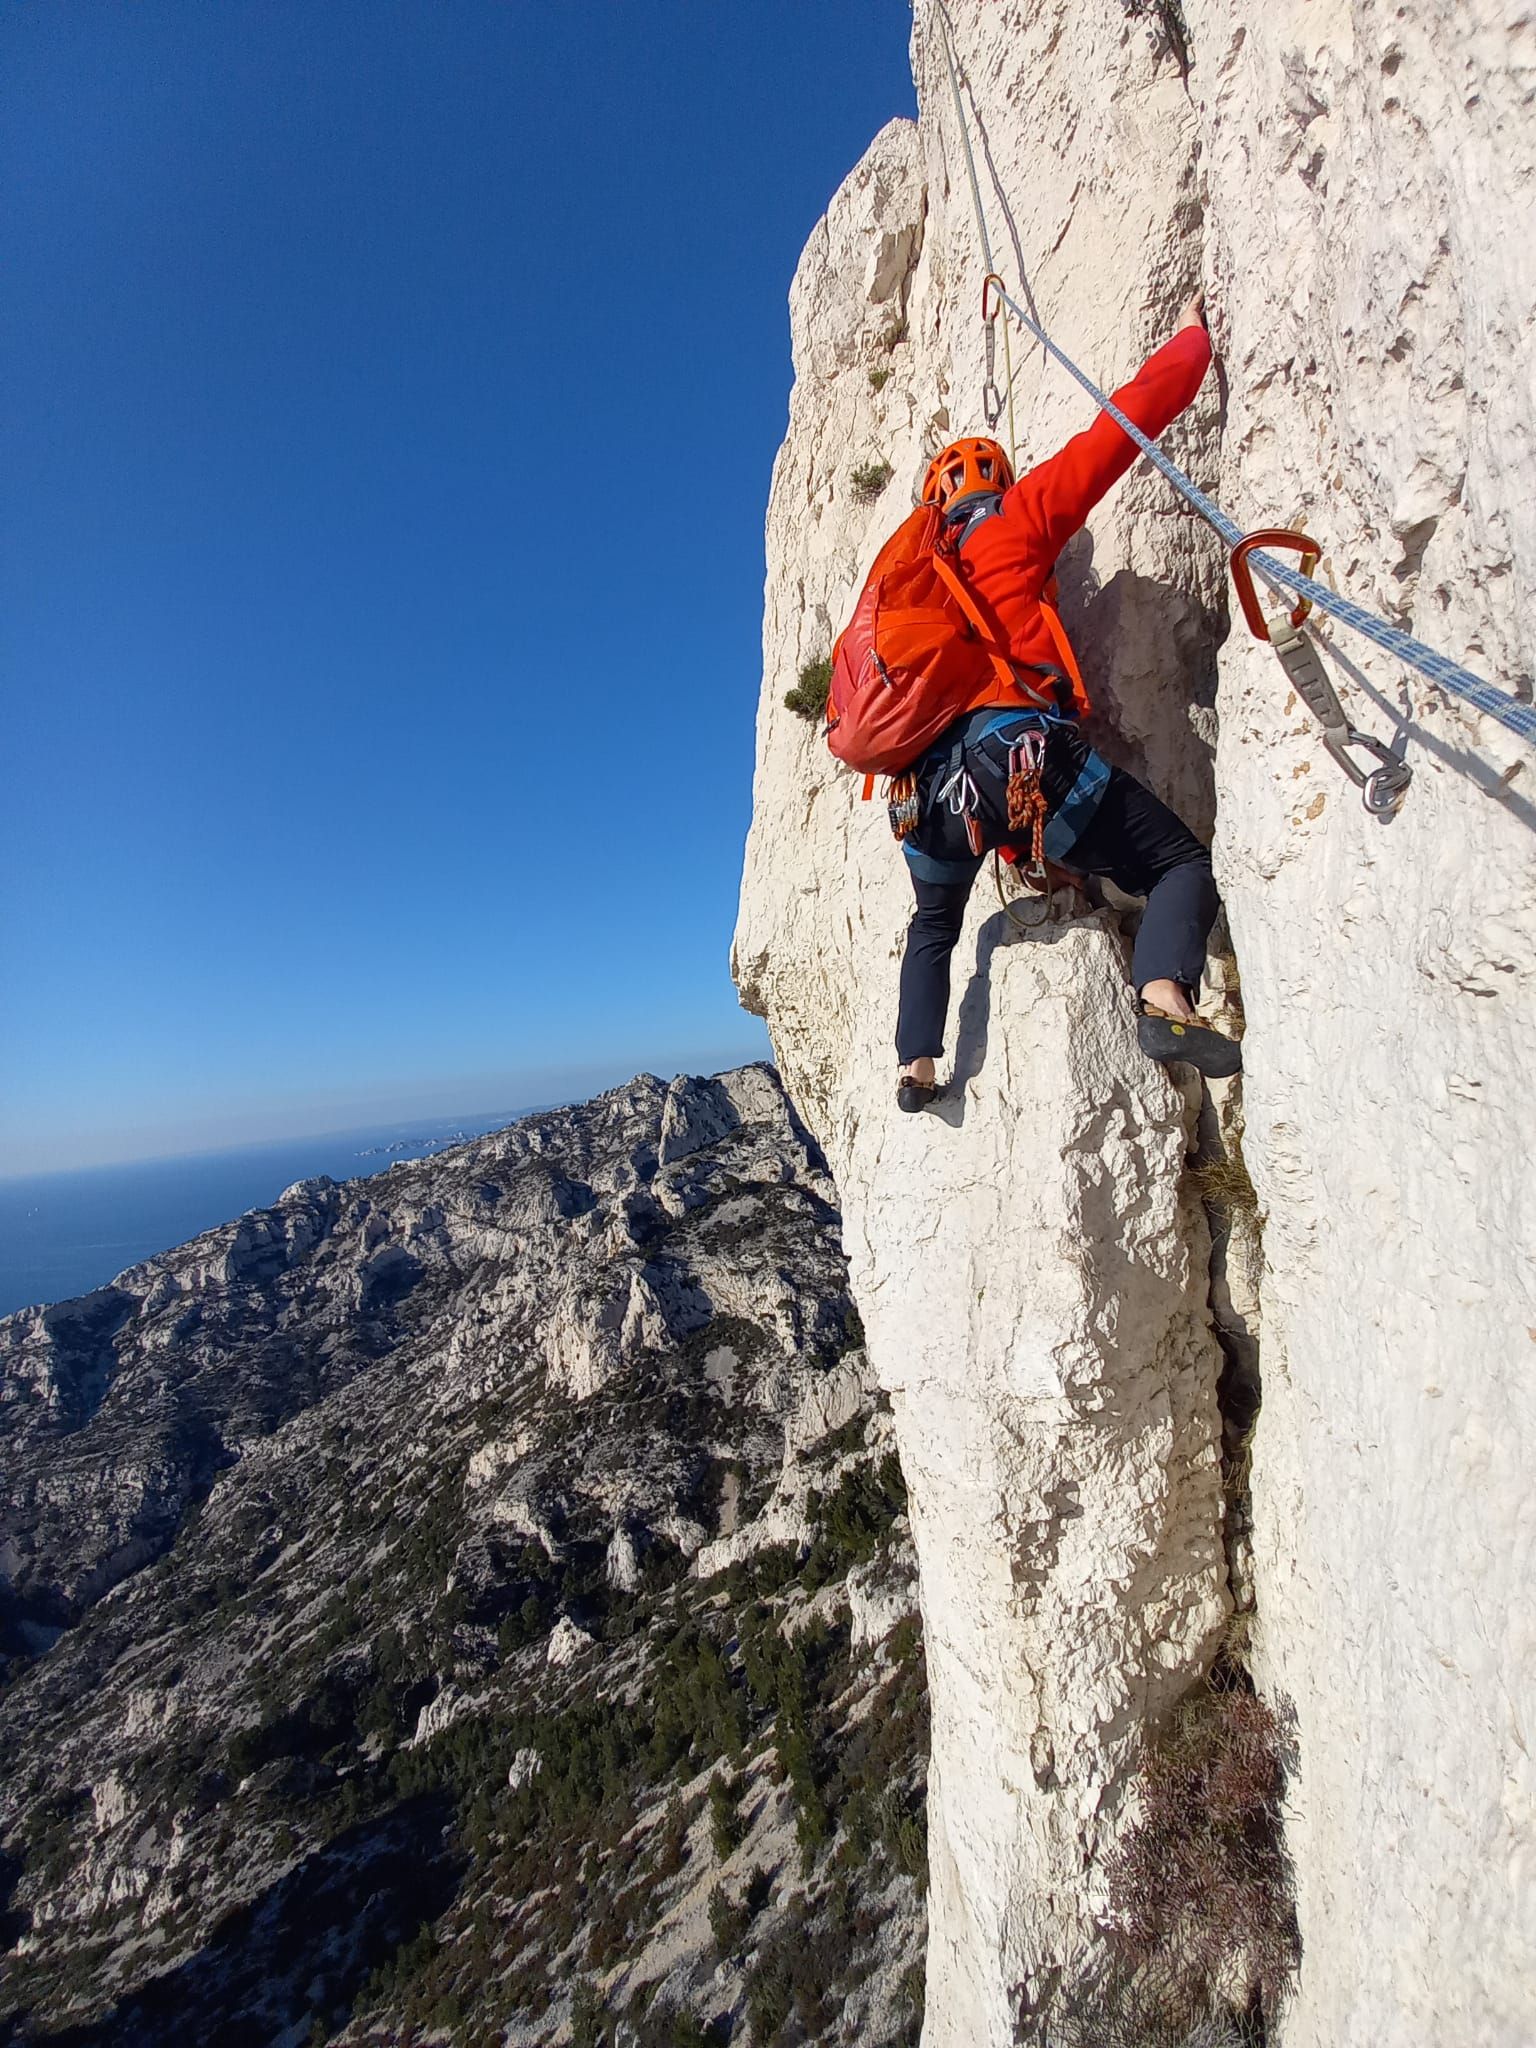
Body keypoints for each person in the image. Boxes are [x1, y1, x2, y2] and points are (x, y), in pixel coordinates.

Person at [894, 292, 1240, 1111]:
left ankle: (917, 1066)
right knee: (1179, 861)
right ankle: (1165, 997)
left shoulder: (917, 591)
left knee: (935, 926)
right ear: (996, 486)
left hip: (924, 799)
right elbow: (1115, 434)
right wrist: (1190, 343)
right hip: (1019, 760)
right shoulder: (1017, 521)